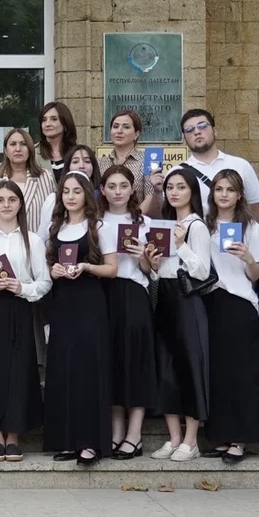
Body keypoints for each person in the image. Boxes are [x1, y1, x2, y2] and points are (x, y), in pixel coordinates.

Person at [0, 180, 50, 463]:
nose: (6, 205)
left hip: (19, 307)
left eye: (12, 200)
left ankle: (14, 435)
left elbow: (45, 281)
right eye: (0, 200)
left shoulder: (33, 240)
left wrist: (23, 288)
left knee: (18, 371)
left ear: (20, 204)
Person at [44, 171, 118, 466]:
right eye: (66, 192)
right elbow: (50, 263)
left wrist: (87, 267)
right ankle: (66, 440)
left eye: (76, 191)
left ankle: (89, 442)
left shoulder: (99, 226)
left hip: (89, 302)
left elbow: (112, 268)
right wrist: (54, 271)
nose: (71, 197)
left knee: (88, 369)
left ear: (87, 194)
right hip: (63, 302)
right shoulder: (56, 227)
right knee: (63, 368)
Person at [201, 169, 259, 464]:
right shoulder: (204, 225)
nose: (224, 194)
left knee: (242, 371)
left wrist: (248, 258)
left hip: (240, 301)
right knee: (217, 372)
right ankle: (221, 435)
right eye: (219, 189)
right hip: (210, 300)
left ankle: (240, 439)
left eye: (230, 190)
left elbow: (256, 276)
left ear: (239, 194)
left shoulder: (250, 227)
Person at [145, 167, 212, 463]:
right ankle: (173, 438)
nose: (174, 192)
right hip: (165, 296)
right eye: (170, 187)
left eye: (181, 187)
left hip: (188, 299)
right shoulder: (164, 224)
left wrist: (181, 245)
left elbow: (202, 271)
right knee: (166, 370)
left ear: (192, 191)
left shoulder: (196, 226)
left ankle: (191, 440)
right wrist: (153, 265)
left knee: (189, 368)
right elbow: (160, 270)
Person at [98, 165, 158, 459]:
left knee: (136, 360)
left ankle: (135, 434)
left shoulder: (145, 222)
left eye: (123, 185)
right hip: (103, 294)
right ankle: (116, 430)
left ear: (133, 188)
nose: (118, 191)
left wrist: (143, 257)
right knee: (111, 361)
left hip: (134, 292)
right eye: (111, 186)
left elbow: (152, 269)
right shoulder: (95, 220)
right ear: (102, 190)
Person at [180, 108, 259, 220]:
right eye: (189, 129)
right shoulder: (178, 172)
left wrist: (247, 230)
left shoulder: (241, 165)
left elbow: (257, 206)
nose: (197, 132)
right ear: (185, 138)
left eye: (202, 126)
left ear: (214, 131)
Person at [0, 128, 55, 235]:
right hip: (1, 241)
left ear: (30, 149)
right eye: (13, 144)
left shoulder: (45, 177)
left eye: (23, 144)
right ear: (5, 151)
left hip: (36, 241)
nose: (18, 149)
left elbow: (52, 213)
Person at [97, 109, 162, 215]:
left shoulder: (146, 161)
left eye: (126, 127)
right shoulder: (100, 163)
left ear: (136, 134)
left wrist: (132, 219)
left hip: (137, 220)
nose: (119, 131)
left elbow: (150, 196)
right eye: (115, 126)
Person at [38, 144, 102, 231]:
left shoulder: (102, 197)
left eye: (87, 161)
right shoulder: (53, 200)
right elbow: (43, 234)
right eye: (75, 162)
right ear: (68, 166)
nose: (81, 166)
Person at [37, 101, 77, 180]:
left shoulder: (77, 152)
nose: (47, 124)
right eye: (44, 120)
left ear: (65, 124)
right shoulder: (32, 153)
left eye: (54, 119)